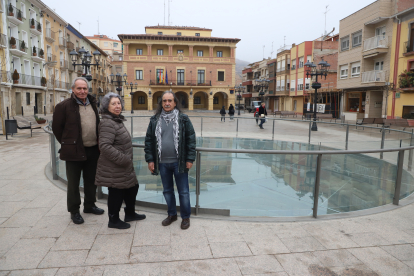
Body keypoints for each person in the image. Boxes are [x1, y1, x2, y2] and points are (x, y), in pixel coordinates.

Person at [52, 77, 104, 225]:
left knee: (91, 180)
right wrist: (68, 143)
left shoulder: (93, 103)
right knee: (73, 183)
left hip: (93, 149)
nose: (82, 91)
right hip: (74, 150)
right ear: (73, 89)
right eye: (79, 88)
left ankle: (89, 205)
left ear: (88, 90)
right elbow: (57, 128)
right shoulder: (63, 106)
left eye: (85, 88)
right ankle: (74, 211)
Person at [144, 91, 196, 230]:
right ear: (161, 103)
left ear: (175, 102)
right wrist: (150, 160)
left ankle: (185, 217)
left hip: (179, 162)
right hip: (162, 163)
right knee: (167, 191)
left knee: (183, 191)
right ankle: (172, 214)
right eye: (164, 101)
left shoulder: (183, 119)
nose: (167, 103)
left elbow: (191, 139)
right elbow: (149, 141)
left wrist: (190, 158)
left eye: (170, 100)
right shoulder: (154, 120)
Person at [95, 93, 146, 229]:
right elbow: (104, 146)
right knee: (116, 193)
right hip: (116, 166)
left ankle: (130, 213)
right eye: (114, 104)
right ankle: (113, 220)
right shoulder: (107, 122)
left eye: (119, 103)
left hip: (124, 165)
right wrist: (124, 159)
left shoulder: (116, 120)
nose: (118, 106)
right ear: (106, 106)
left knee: (132, 187)